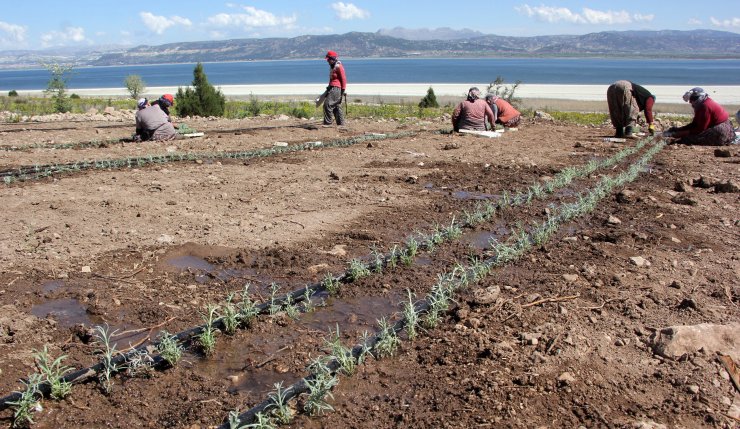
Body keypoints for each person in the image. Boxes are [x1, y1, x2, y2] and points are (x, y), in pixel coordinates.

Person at [663, 87, 735, 146]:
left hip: (720, 132)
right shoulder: (702, 104)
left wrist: (677, 134)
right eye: (690, 99)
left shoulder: (705, 106)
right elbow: (695, 124)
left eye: (693, 99)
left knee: (688, 139)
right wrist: (679, 129)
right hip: (725, 127)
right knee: (685, 136)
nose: (691, 102)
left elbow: (700, 129)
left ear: (700, 97)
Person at [322, 51, 347, 127]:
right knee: (336, 106)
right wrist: (328, 88)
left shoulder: (339, 67)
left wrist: (342, 90)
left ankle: (328, 123)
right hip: (332, 88)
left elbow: (343, 79)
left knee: (327, 104)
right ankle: (341, 124)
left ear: (333, 59)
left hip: (336, 88)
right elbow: (331, 79)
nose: (327, 61)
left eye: (328, 59)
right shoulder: (332, 67)